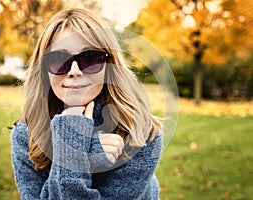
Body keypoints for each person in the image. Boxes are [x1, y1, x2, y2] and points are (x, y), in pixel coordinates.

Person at [10, 7, 163, 199]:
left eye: (90, 58)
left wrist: (70, 151)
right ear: (43, 70)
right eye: (59, 59)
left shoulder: (141, 133)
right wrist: (81, 151)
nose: (74, 71)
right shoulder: (26, 134)